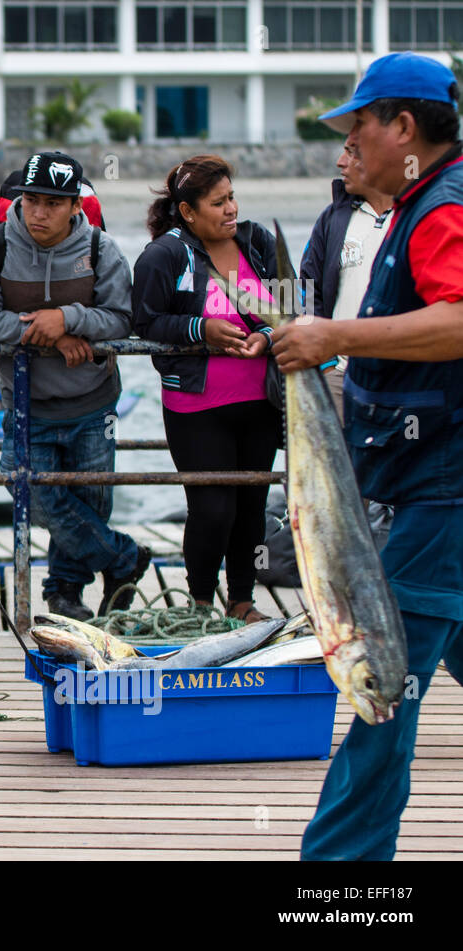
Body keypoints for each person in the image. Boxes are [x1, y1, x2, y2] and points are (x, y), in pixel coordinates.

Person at [271, 51, 463, 861]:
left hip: (441, 490)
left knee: (382, 686)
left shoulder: (442, 209)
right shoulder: (411, 206)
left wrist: (333, 336)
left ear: (404, 128)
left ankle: (338, 882)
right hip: (425, 482)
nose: (348, 146)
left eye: (358, 128)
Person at [0, 150, 149, 620]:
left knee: (89, 500)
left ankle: (63, 592)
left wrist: (68, 318)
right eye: (31, 200)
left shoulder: (101, 250)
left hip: (93, 402)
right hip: (26, 403)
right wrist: (50, 333)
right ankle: (123, 557)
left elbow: (123, 320)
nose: (39, 212)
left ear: (75, 206)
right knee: (25, 484)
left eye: (52, 202)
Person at [131, 155, 282, 624]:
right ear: (188, 212)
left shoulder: (259, 242)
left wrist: (268, 335)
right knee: (212, 509)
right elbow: (144, 321)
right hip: (197, 404)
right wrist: (201, 328)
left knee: (251, 506)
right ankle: (199, 604)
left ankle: (241, 599)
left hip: (261, 401)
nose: (230, 209)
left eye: (232, 197)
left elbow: (298, 305)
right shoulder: (165, 254)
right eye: (218, 203)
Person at [300, 143, 395, 423]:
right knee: (340, 465)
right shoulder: (332, 219)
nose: (341, 162)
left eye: (353, 152)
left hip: (404, 380)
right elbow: (305, 291)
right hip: (340, 377)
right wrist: (326, 364)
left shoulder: (417, 216)